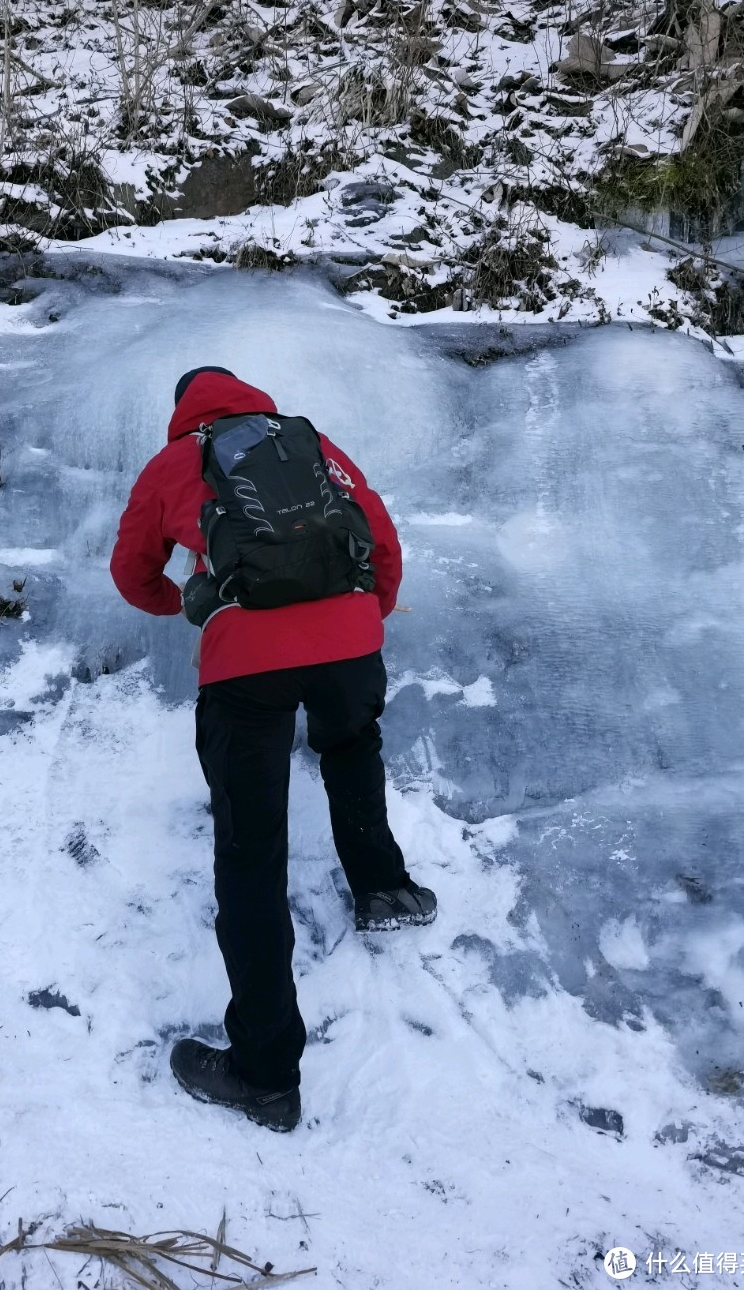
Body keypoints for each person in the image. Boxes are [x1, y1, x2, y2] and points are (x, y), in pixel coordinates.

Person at [110, 367, 437, 1132]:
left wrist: (192, 602)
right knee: (351, 744)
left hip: (245, 664)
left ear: (183, 411)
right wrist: (363, 619)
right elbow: (380, 537)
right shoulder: (313, 445)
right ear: (250, 398)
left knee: (251, 849)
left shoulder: (175, 464)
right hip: (352, 640)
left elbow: (133, 575)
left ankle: (264, 1075)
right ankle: (385, 889)